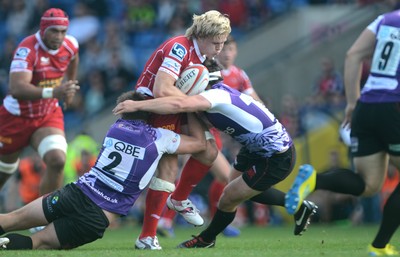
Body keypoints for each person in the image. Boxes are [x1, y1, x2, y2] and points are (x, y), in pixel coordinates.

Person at [113, 58, 318, 248]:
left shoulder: (215, 96)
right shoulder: (219, 92)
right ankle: (300, 206)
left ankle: (206, 239)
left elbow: (179, 104)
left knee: (228, 197)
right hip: (256, 148)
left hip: (275, 155)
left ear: (197, 79)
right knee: (234, 187)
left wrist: (136, 105)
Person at [0, 90, 207, 250]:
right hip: (97, 217)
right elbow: (199, 144)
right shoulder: (159, 137)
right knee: (36, 243)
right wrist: (189, 106)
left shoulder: (115, 127)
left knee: (12, 219)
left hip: (75, 194)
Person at [285, 9, 400, 256]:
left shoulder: (385, 19)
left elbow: (353, 54)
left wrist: (351, 102)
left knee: (368, 184)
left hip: (365, 105)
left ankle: (315, 179)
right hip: (394, 106)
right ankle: (379, 245)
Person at [131, 10, 230, 250]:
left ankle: (178, 199)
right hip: (154, 108)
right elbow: (163, 89)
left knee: (209, 150)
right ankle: (147, 236)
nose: (220, 48)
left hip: (175, 108)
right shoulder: (179, 48)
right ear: (202, 36)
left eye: (223, 43)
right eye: (216, 43)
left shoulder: (201, 56)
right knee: (169, 166)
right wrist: (196, 102)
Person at [157, 34, 262, 238]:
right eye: (223, 49)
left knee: (222, 178)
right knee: (224, 176)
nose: (227, 54)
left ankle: (175, 220)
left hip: (218, 134)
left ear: (236, 51)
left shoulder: (239, 75)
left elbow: (253, 99)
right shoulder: (202, 69)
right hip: (200, 130)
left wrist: (266, 115)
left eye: (231, 50)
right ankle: (168, 220)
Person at [0, 8, 80, 195]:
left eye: (63, 31)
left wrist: (70, 85)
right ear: (43, 29)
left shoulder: (71, 44)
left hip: (46, 114)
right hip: (15, 117)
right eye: (54, 31)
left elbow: (74, 58)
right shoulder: (27, 49)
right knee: (4, 171)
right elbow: (18, 89)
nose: (59, 36)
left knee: (57, 160)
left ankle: (42, 217)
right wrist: (55, 91)